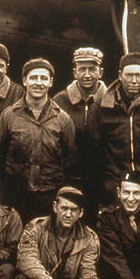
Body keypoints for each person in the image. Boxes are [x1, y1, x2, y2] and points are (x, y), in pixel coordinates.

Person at [0, 58, 75, 220]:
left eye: (44, 78)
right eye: (33, 77)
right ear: (24, 80)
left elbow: (70, 159)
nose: (39, 83)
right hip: (16, 195)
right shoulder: (9, 116)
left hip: (49, 195)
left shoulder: (63, 119)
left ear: (51, 82)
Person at [90, 52, 140, 210]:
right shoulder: (101, 107)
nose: (134, 80)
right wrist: (106, 184)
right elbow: (95, 151)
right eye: (129, 75)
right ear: (120, 75)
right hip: (114, 186)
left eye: (138, 75)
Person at [54, 47, 107, 215]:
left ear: (101, 72)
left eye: (92, 69)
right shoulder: (58, 101)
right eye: (82, 69)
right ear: (74, 72)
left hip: (102, 179)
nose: (87, 74)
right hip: (68, 178)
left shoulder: (111, 101)